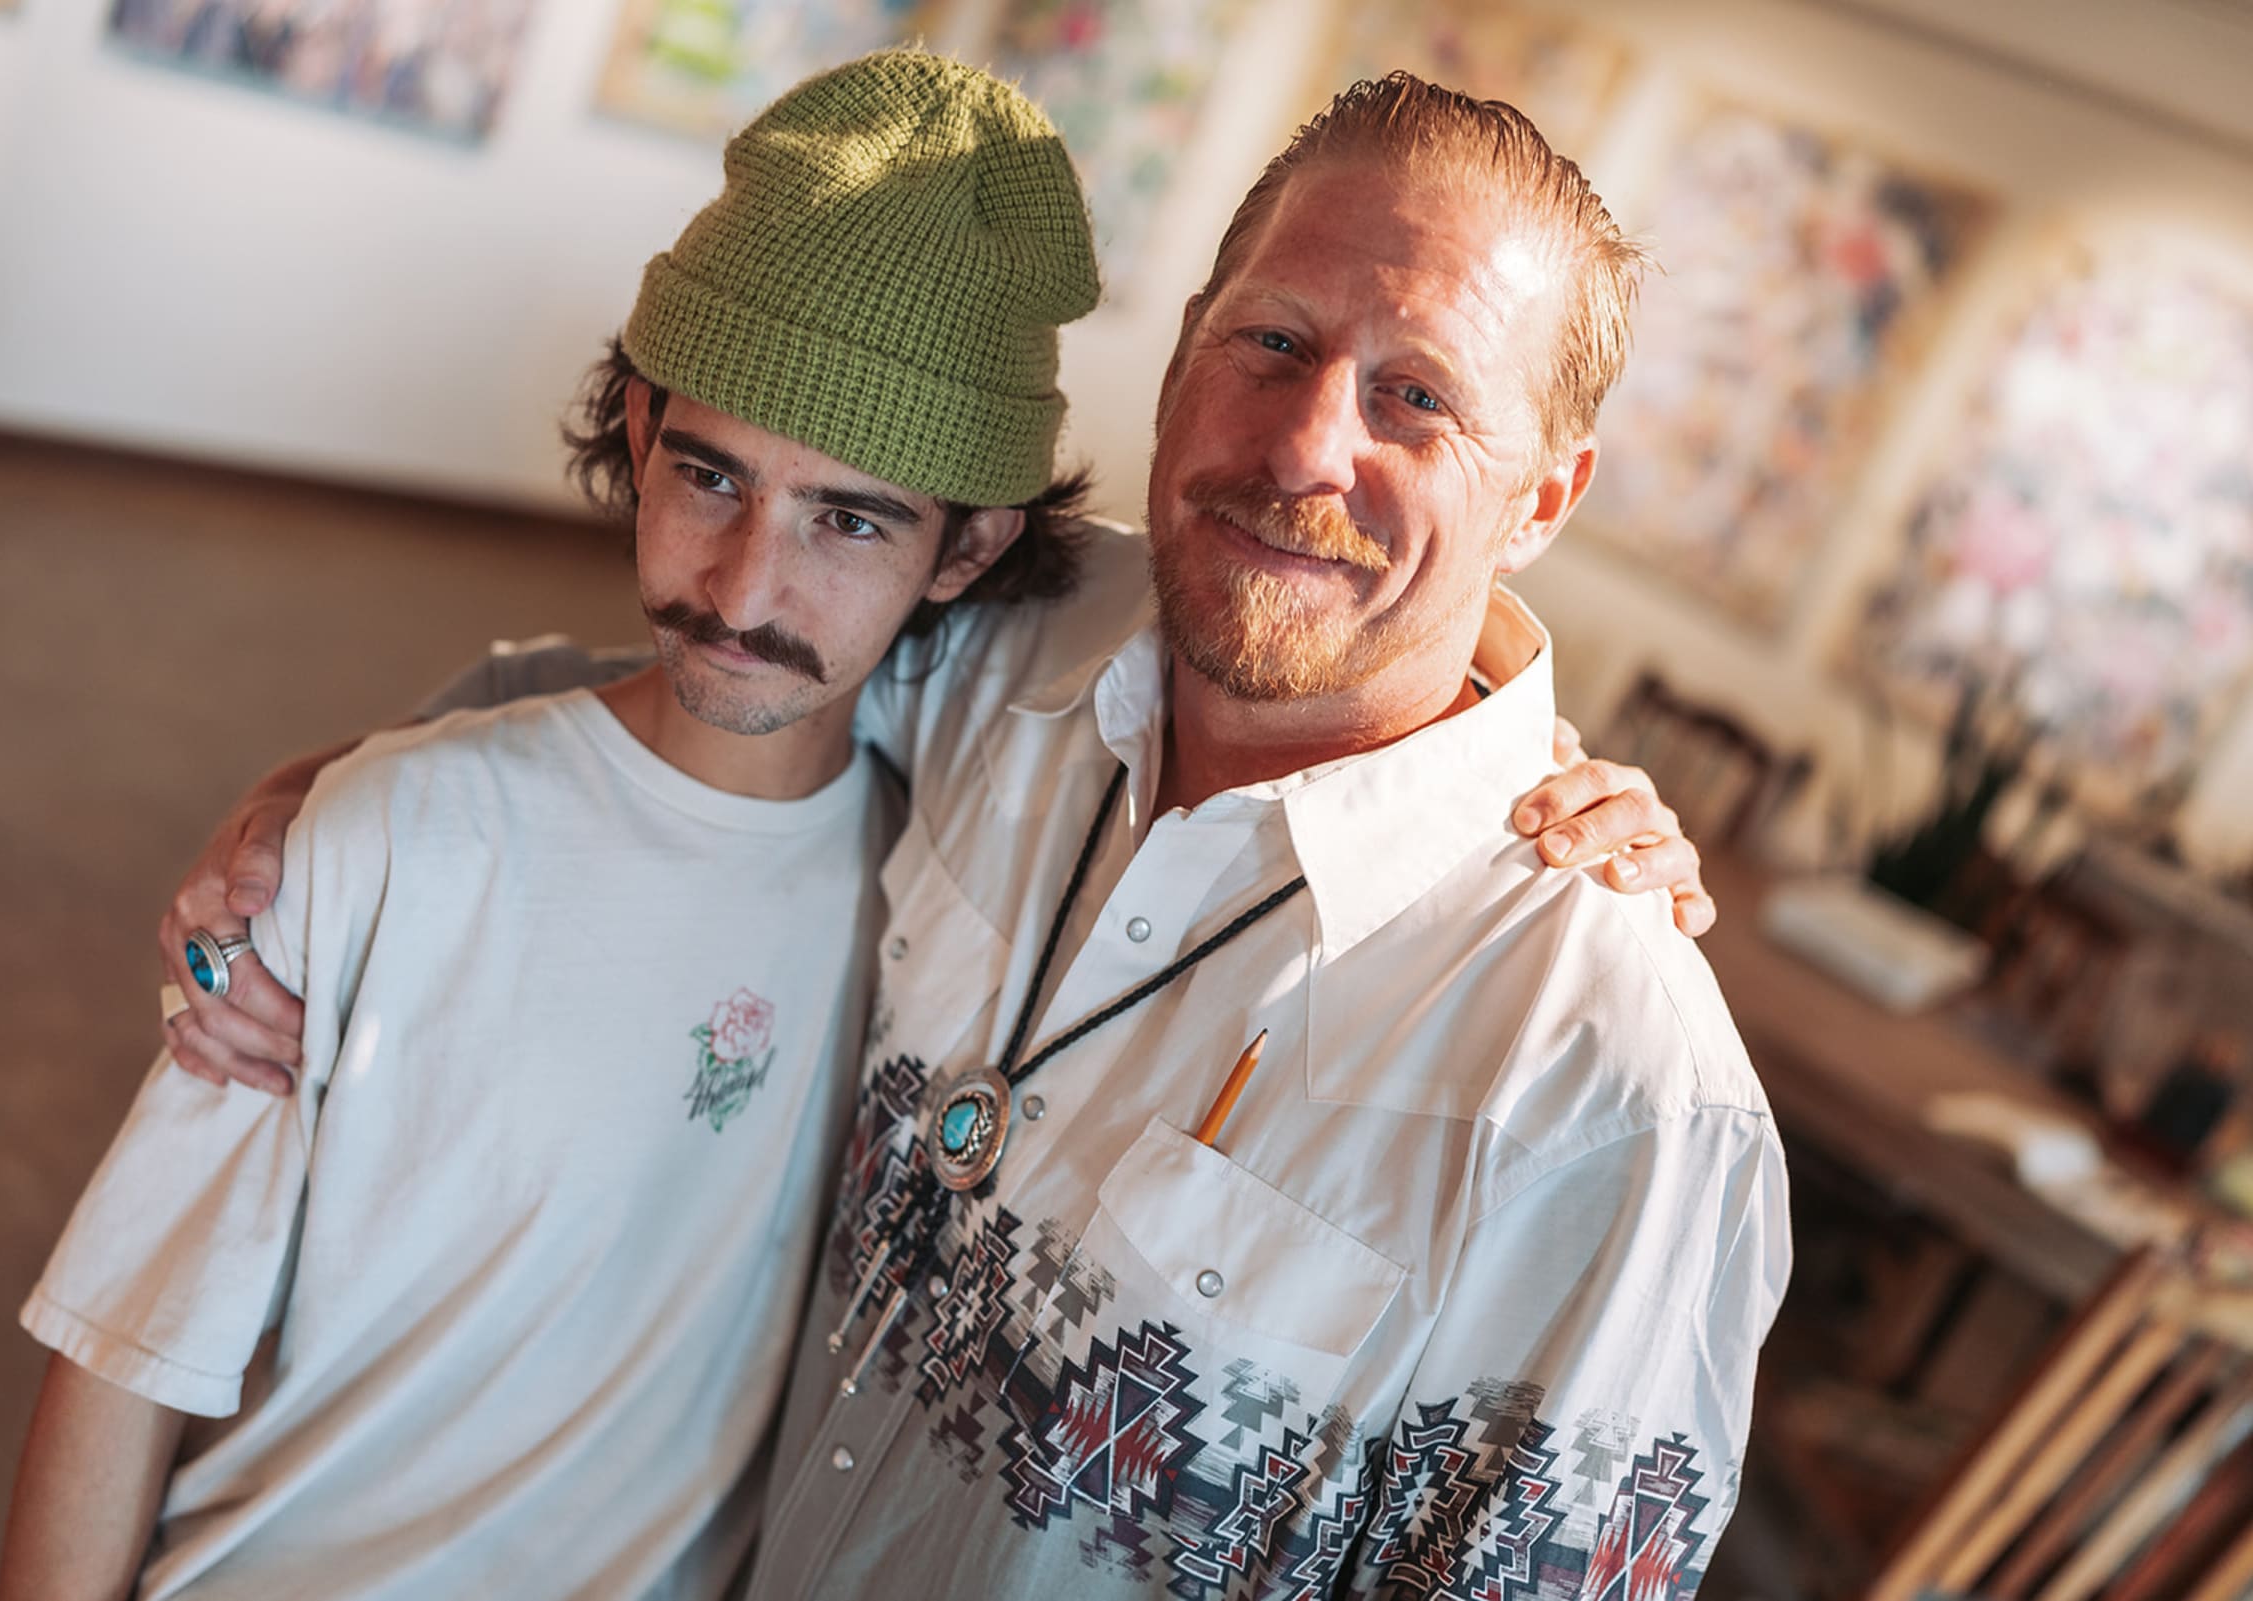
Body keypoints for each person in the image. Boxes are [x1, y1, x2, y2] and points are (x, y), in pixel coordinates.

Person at [123, 69, 1752, 1601]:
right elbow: (714, 682)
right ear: (1184, 348)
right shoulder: (1027, 630)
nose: (1310, 446)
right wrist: (333, 801)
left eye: (1419, 397)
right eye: (1273, 340)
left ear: (1544, 498)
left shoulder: (1603, 1075)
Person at [0, 50, 1108, 1600]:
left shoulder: (934, 917)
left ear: (969, 546)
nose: (739, 589)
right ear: (640, 425)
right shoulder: (391, 828)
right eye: (706, 474)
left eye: (846, 519)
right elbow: (128, 1341)